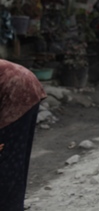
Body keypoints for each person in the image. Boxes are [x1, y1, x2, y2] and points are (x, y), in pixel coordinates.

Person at [0, 59, 46, 211]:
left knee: (9, 158)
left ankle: (9, 206)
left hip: (17, 90)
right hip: (19, 85)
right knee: (12, 156)